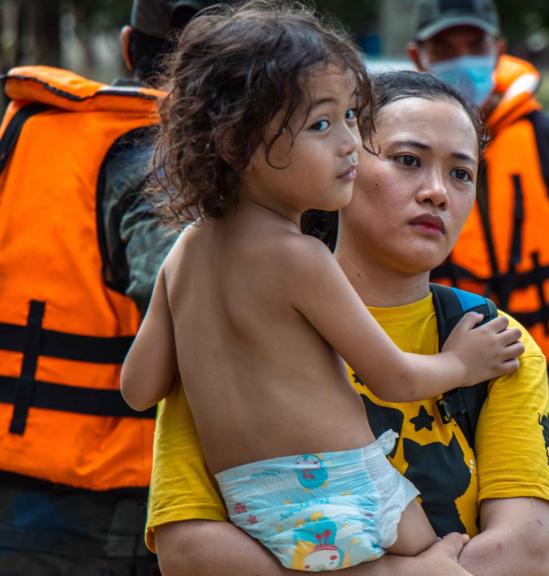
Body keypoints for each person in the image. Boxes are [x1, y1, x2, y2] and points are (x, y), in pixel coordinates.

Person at [120, 4, 526, 572]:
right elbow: (395, 377)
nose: (349, 145)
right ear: (236, 144)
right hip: (348, 484)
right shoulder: (300, 257)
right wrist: (463, 362)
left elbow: (139, 388)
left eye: (351, 118)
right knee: (439, 560)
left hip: (248, 502)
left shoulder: (186, 249)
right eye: (321, 124)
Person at [0, 1, 219, 573]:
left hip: (24, 477)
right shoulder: (160, 161)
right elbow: (204, 320)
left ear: (128, 47)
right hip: (104, 503)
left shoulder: (29, 131)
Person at [410, 0, 549, 401]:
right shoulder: (397, 151)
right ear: (417, 57)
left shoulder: (548, 138)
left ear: (498, 50)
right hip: (446, 386)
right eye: (444, 49)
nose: (462, 60)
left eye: (475, 45)